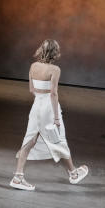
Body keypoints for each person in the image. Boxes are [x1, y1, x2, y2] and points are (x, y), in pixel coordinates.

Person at [10, 39, 89, 190]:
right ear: (55, 53)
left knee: (29, 141)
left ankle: (18, 177)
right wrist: (57, 117)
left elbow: (32, 90)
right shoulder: (55, 70)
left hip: (36, 106)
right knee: (58, 141)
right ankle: (73, 174)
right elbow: (53, 94)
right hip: (48, 108)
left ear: (41, 50)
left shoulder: (33, 66)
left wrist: (40, 97)